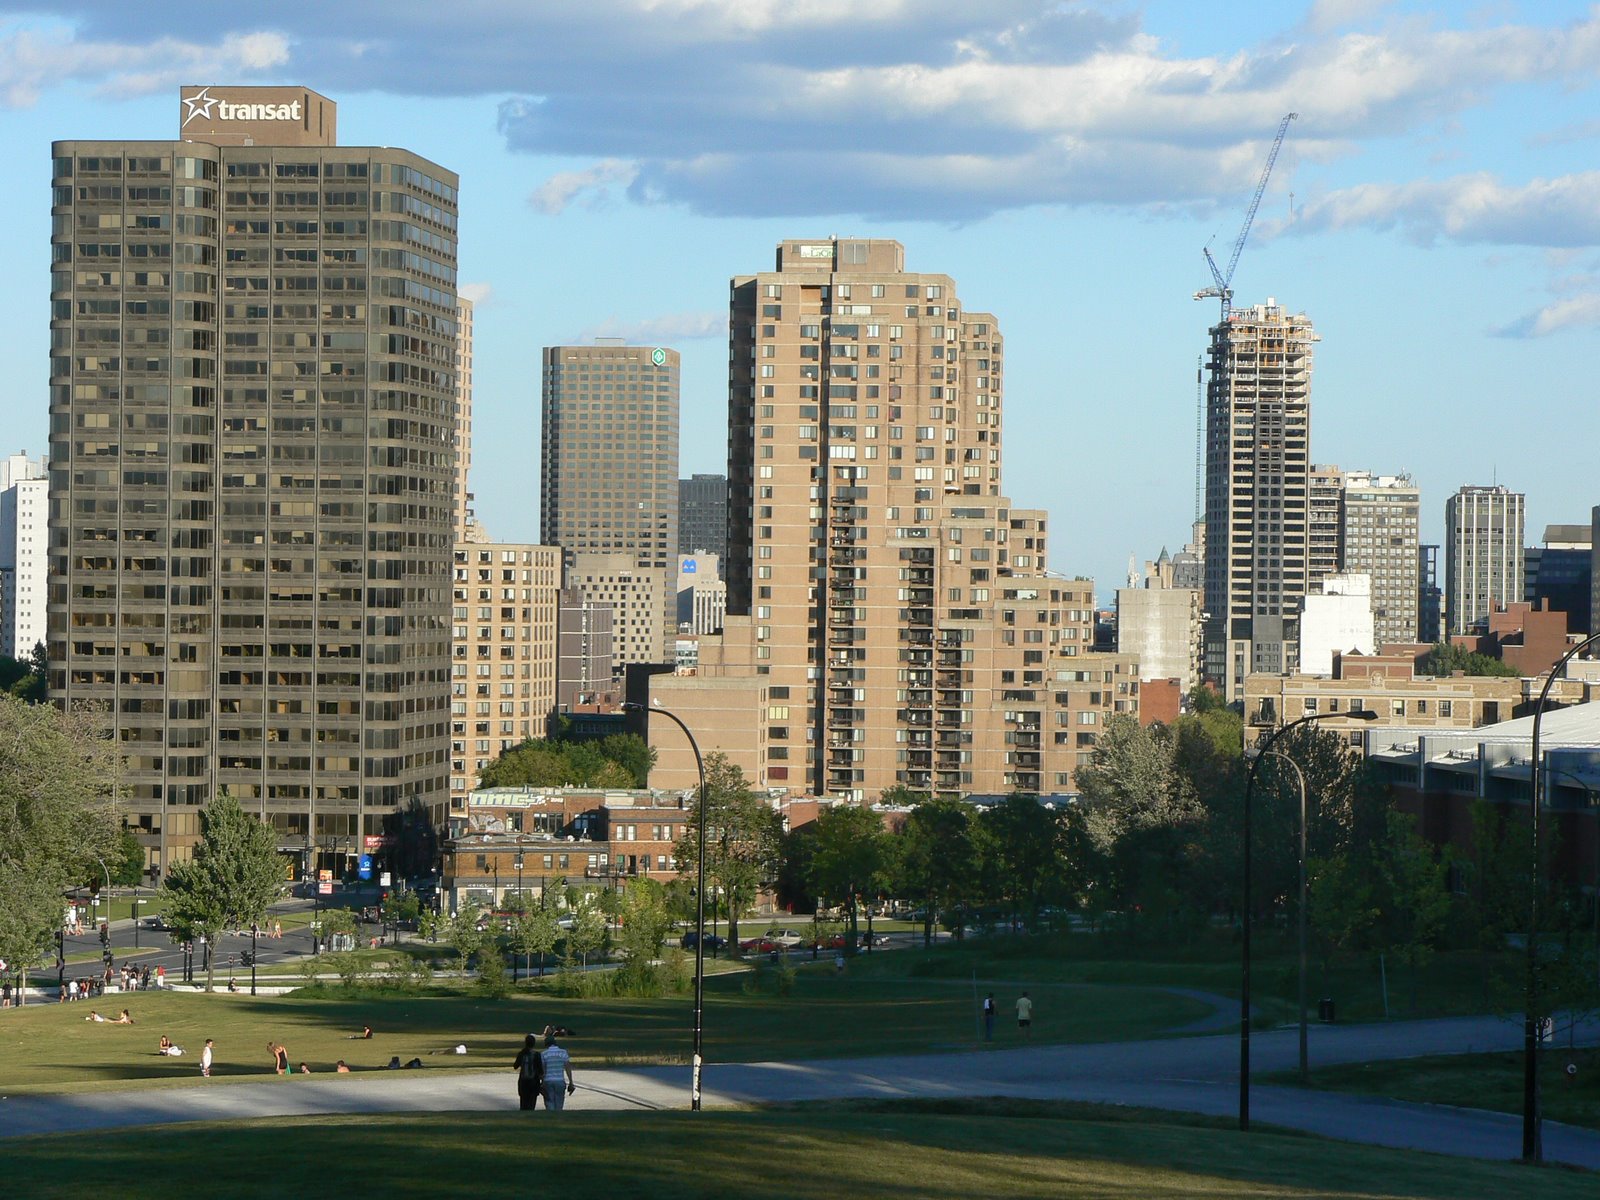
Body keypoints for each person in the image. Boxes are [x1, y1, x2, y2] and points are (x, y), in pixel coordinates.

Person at [540, 1030, 574, 1111]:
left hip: (548, 1081)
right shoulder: (563, 1052)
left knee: (549, 1103)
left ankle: (551, 1119)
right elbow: (567, 1067)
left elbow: (543, 1070)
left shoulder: (544, 1054)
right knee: (559, 1104)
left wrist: (542, 1082)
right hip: (560, 1080)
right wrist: (571, 1082)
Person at [513, 1033, 544, 1112]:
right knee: (531, 1103)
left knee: (523, 1103)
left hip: (523, 1082)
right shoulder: (537, 1054)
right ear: (534, 1044)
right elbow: (541, 1070)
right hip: (534, 1082)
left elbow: (515, 1066)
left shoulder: (521, 1053)